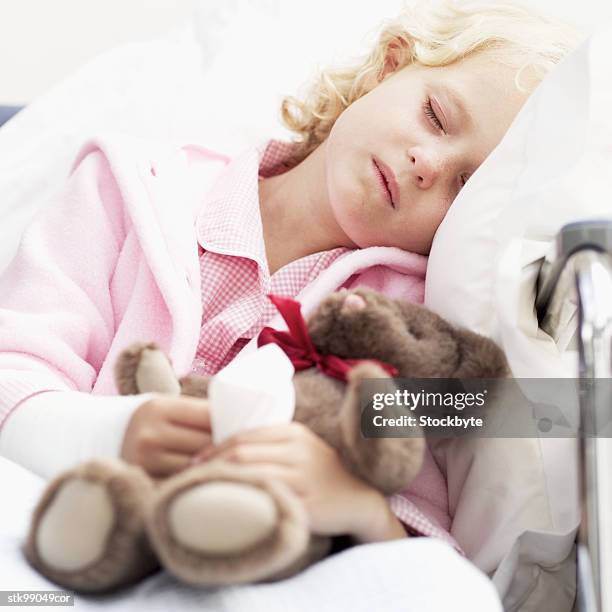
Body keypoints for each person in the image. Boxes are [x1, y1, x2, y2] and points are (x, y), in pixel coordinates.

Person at [0, 0, 577, 551]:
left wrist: (360, 508)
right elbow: (15, 377)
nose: (428, 164)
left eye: (465, 186)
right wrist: (112, 435)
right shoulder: (126, 190)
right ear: (389, 66)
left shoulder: (411, 326)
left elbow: (426, 551)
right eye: (435, 116)